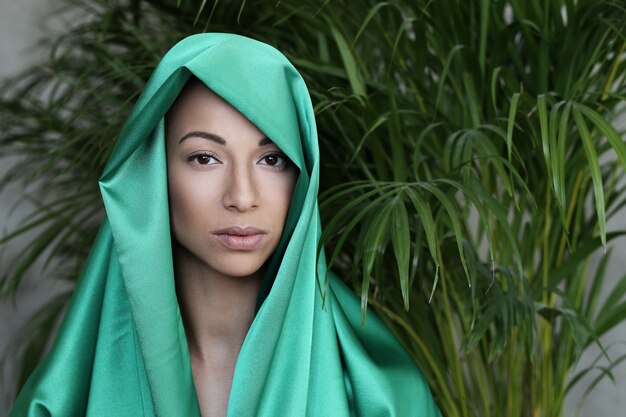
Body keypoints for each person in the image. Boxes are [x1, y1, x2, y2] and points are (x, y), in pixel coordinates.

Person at [11, 33, 441, 417]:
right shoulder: (61, 402)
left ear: (302, 178)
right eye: (204, 157)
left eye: (271, 159)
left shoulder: (382, 399)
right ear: (152, 175)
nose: (241, 196)